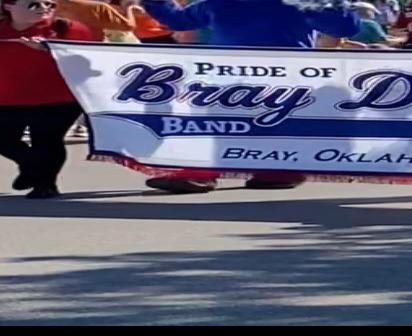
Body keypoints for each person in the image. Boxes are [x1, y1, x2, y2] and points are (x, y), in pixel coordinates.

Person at [137, 0, 360, 194]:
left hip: (284, 79)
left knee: (277, 125)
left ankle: (277, 170)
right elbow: (179, 21)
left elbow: (345, 26)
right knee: (213, 124)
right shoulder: (219, 3)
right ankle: (200, 171)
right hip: (227, 78)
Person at [0, 0, 94, 198]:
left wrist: (50, 49)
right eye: (34, 4)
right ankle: (30, 166)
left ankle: (46, 185)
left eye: (50, 4)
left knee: (48, 141)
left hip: (56, 98)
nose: (44, 8)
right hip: (0, 98)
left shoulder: (66, 28)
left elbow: (86, 59)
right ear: (9, 6)